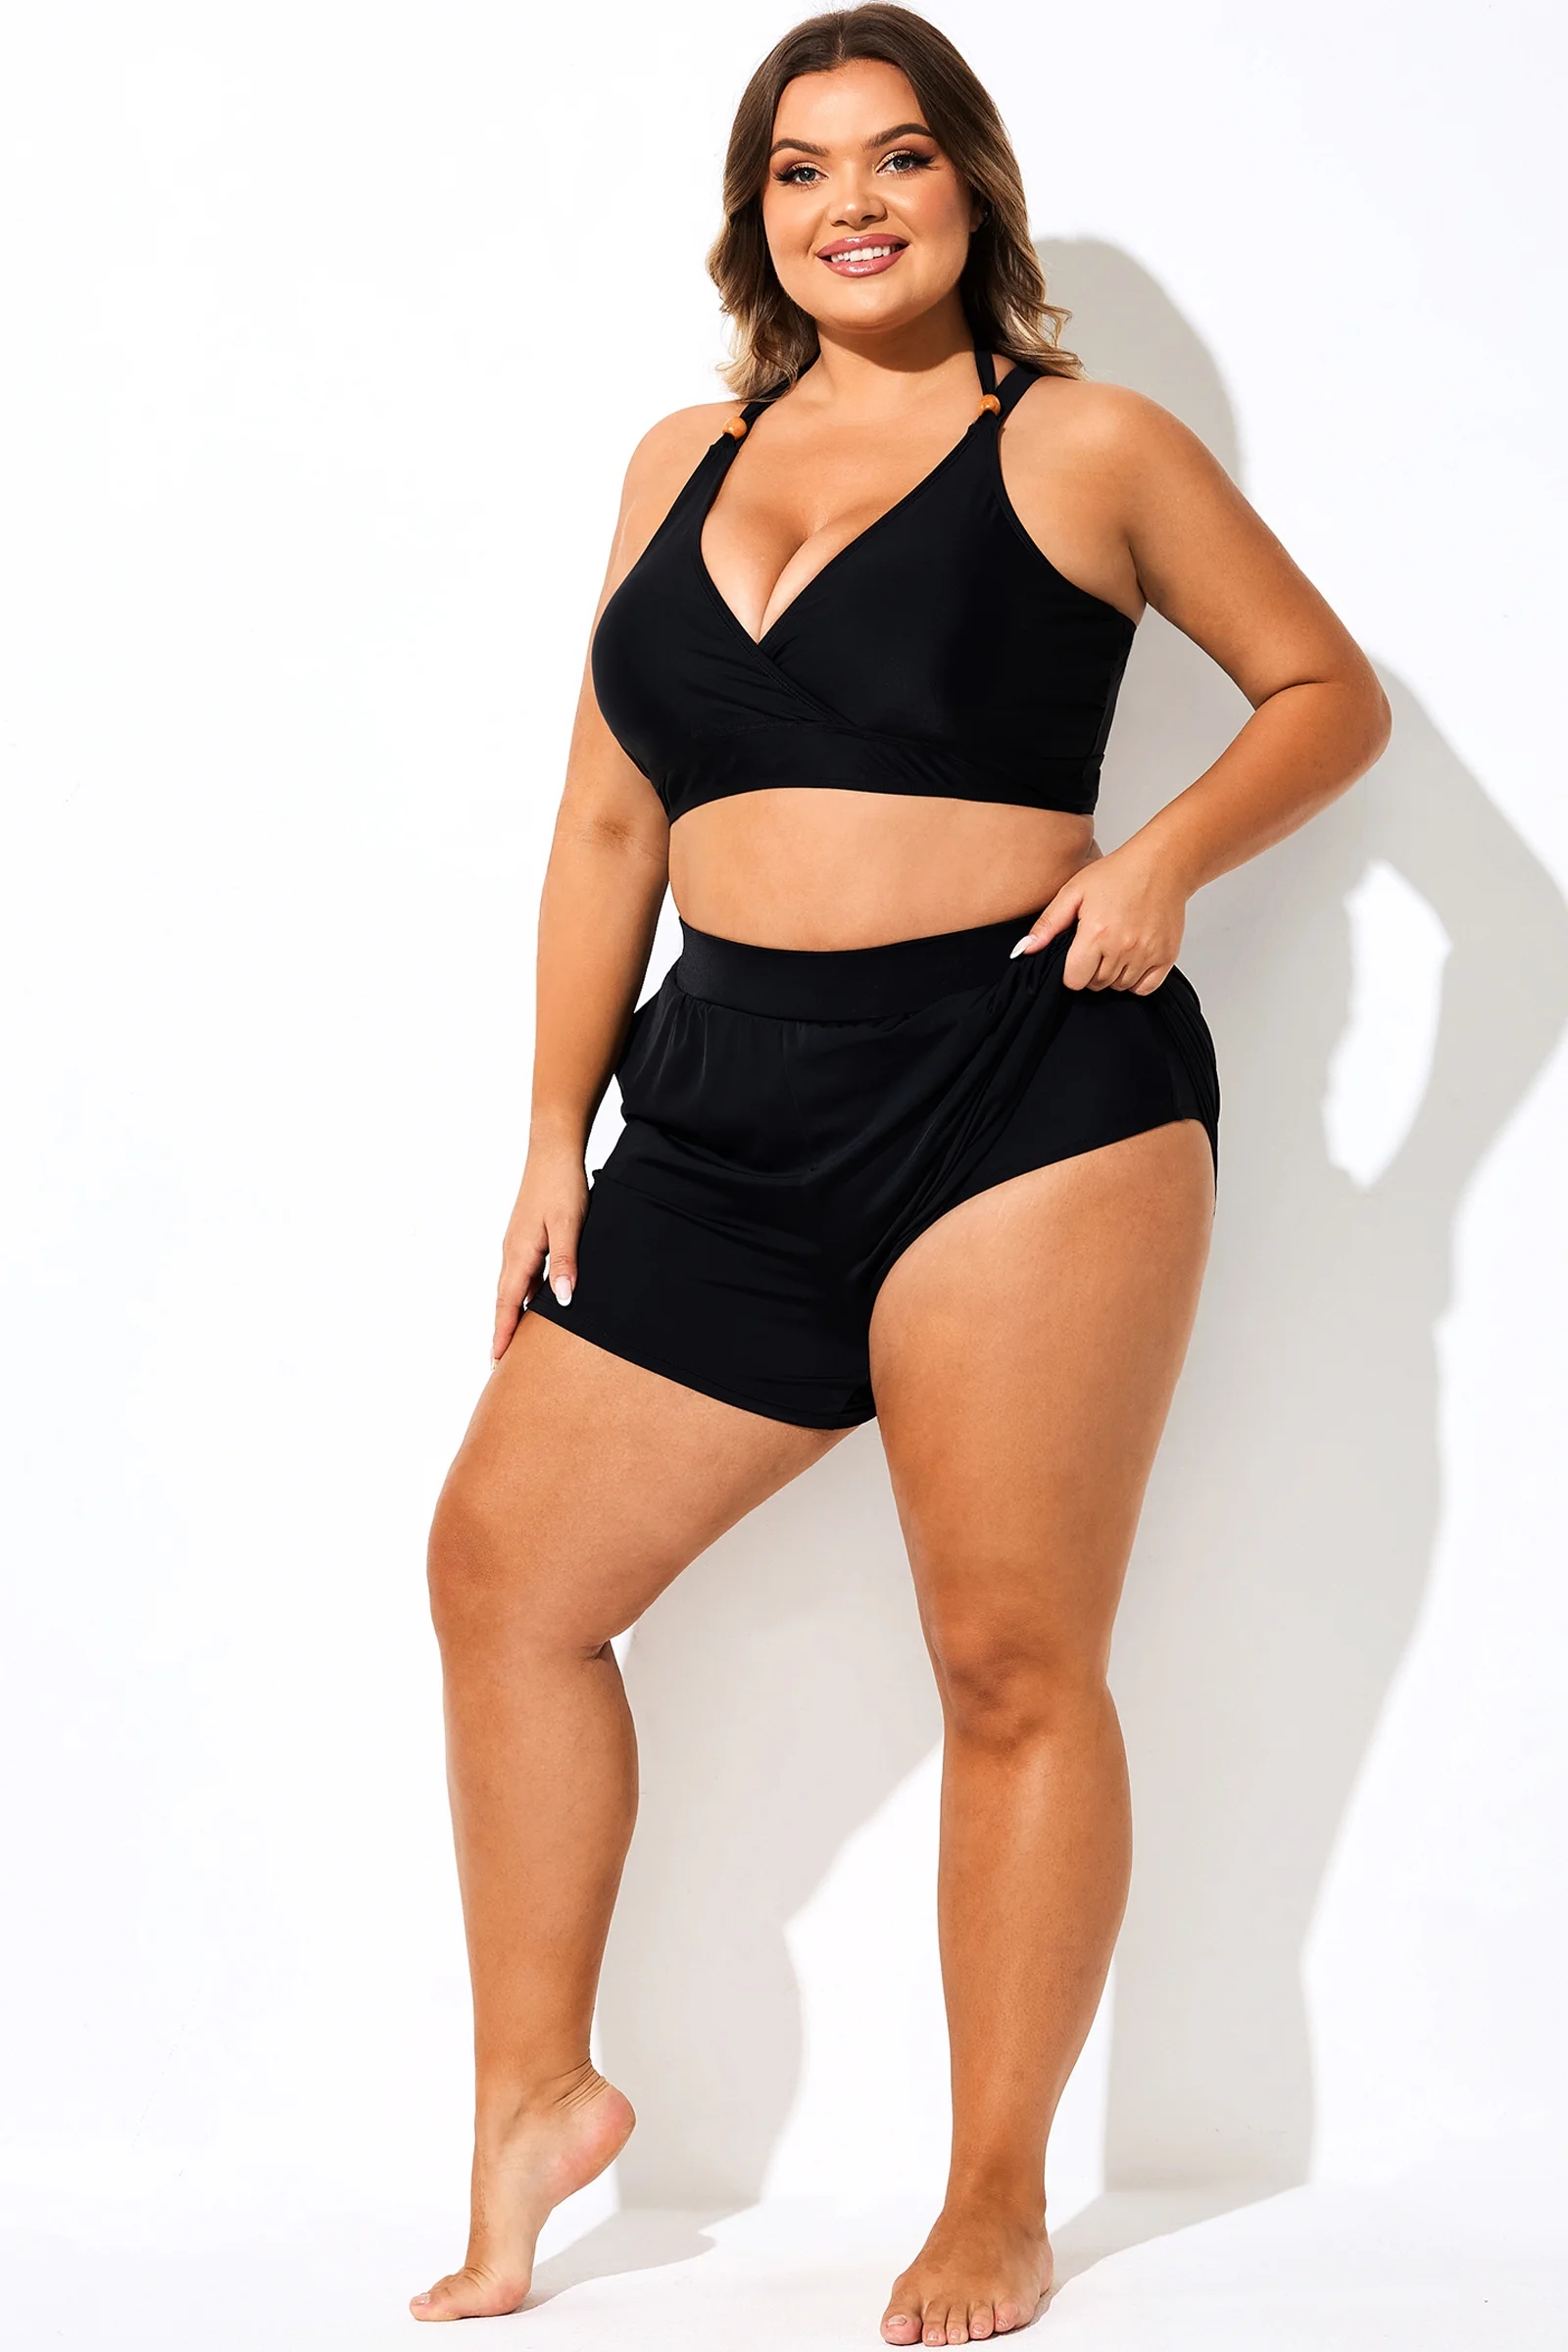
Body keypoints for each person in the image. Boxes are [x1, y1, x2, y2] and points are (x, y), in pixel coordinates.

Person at [411, 7, 1390, 2341]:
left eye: (895, 156)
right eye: (798, 166)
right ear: (753, 215)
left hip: (1018, 1088)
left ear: (969, 187)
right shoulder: (677, 462)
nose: (847, 201)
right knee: (503, 1577)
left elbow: (1323, 694)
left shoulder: (1080, 442)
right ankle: (534, 2094)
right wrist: (551, 1134)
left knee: (1006, 1654)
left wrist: (1159, 859)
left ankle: (992, 2194)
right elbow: (607, 822)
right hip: (718, 1104)